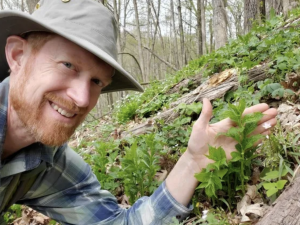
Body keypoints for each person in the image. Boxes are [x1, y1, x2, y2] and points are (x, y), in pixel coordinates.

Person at [0, 0, 277, 224]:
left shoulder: (45, 163)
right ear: (17, 56)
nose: (83, 99)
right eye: (68, 65)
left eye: (97, 81)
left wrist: (193, 163)